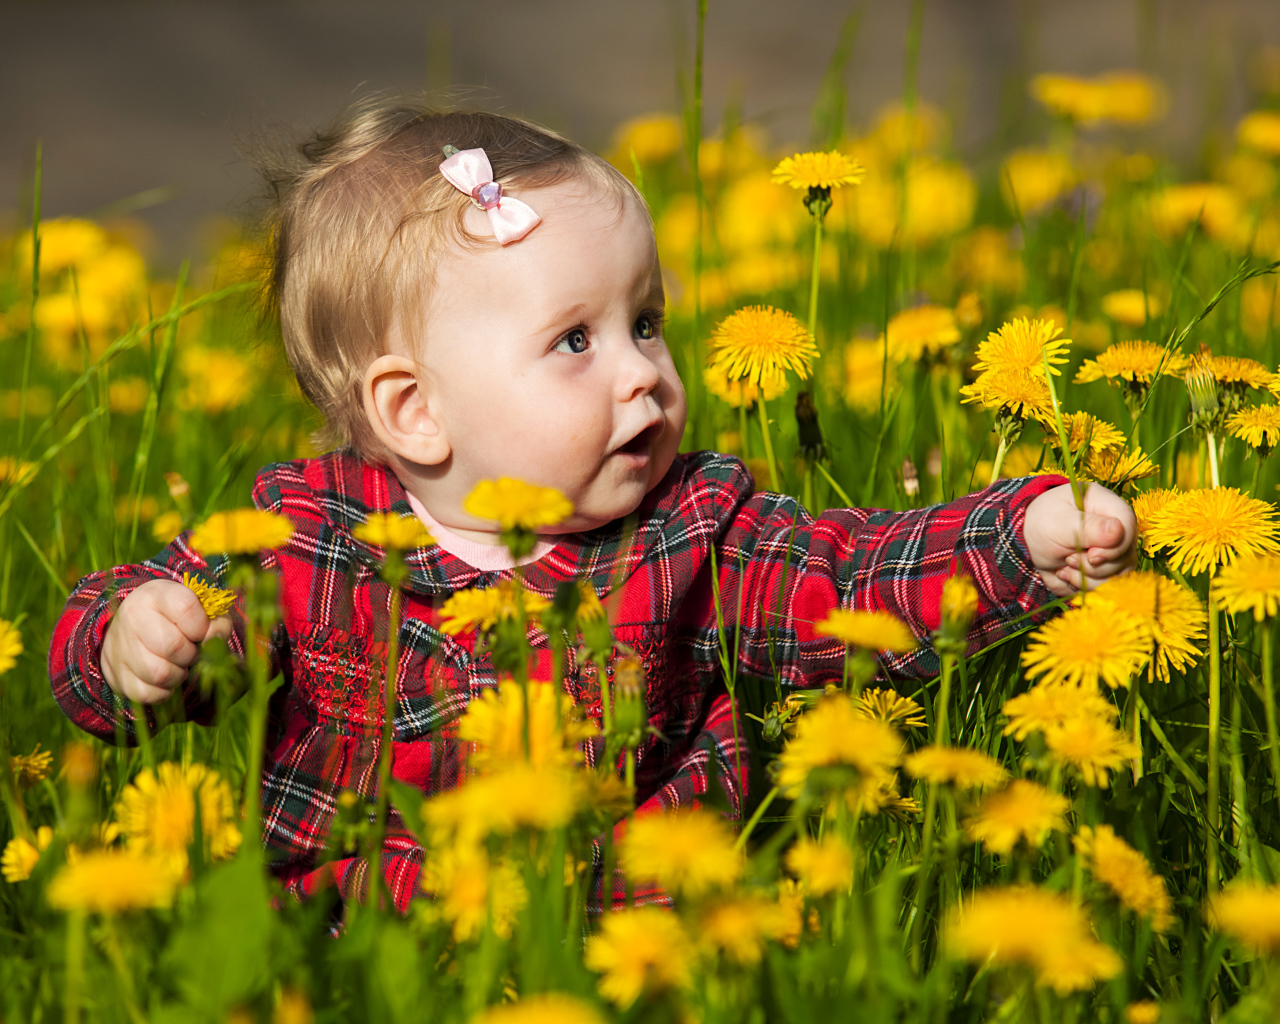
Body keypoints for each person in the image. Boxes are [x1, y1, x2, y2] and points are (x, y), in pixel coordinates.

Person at [48, 103, 1137, 912]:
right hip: (357, 942)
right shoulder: (302, 536)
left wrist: (1021, 535)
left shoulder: (691, 527)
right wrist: (137, 641)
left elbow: (853, 577)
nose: (641, 374)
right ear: (413, 409)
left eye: (646, 321)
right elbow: (125, 638)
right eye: (576, 340)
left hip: (635, 932)